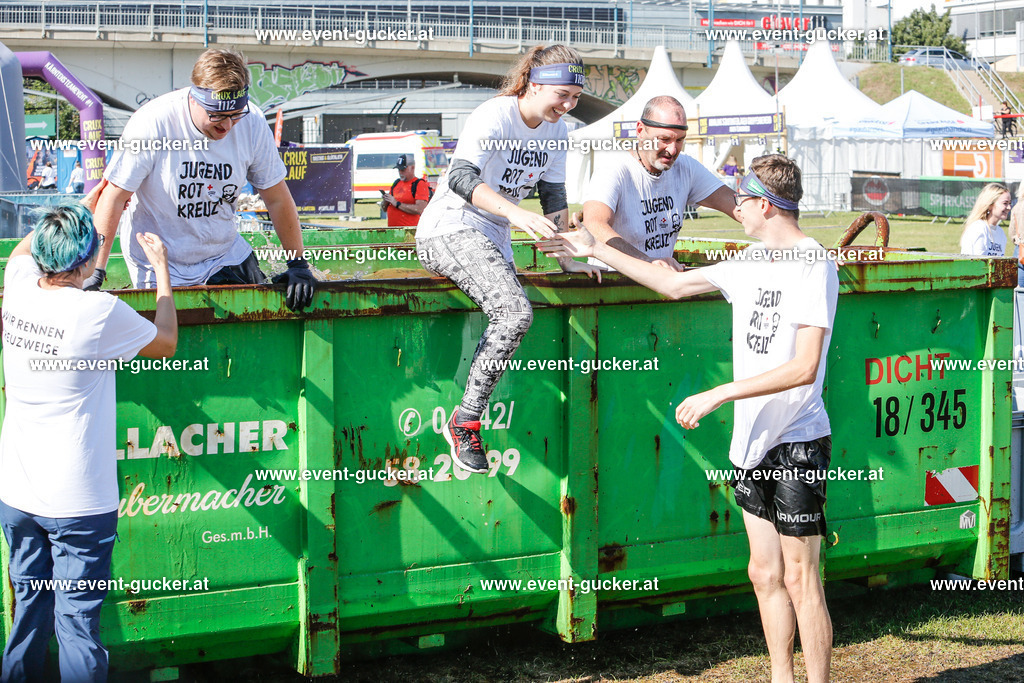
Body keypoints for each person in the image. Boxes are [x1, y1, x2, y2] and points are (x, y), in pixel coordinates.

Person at [542, 154, 838, 683]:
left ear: (765, 205)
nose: (734, 209)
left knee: (801, 576)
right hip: (751, 440)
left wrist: (720, 393)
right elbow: (671, 285)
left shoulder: (813, 262)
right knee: (764, 572)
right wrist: (597, 248)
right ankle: (781, 678)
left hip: (797, 441)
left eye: (741, 201)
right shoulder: (748, 262)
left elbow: (804, 366)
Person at [0, 202, 177, 683]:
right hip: (78, 503)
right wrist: (161, 270)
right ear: (90, 257)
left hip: (17, 495)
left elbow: (21, 253)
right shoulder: (98, 311)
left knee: (28, 614)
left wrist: (82, 201)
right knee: (76, 625)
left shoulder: (15, 291)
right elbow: (165, 342)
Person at [415, 44, 603, 473]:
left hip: (492, 232)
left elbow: (553, 195)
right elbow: (461, 178)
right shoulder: (495, 115)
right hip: (451, 225)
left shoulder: (559, 132)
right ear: (535, 84)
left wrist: (565, 258)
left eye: (576, 96)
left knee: (515, 315)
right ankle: (464, 420)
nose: (570, 104)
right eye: (563, 95)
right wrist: (517, 214)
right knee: (514, 313)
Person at [90, 48, 316, 311]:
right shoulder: (152, 124)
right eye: (217, 114)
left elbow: (276, 199)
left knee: (264, 315)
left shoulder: (251, 121)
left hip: (223, 253)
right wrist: (95, 273)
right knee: (172, 343)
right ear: (194, 98)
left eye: (235, 114)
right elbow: (114, 198)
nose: (227, 126)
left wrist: (297, 263)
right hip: (161, 262)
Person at [581, 96, 740, 271]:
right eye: (664, 139)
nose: (672, 150)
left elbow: (736, 205)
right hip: (612, 285)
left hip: (661, 284)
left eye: (679, 140)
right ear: (640, 130)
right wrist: (647, 261)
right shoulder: (614, 169)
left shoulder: (686, 167)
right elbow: (594, 224)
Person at [960, 183, 1011, 257]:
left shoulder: (1001, 233)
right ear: (990, 205)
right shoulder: (979, 228)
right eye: (1005, 203)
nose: (1009, 207)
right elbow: (978, 263)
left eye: (1010, 203)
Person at [380, 154, 431, 226]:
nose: (400, 172)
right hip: (393, 231)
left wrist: (397, 204)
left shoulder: (419, 184)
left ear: (412, 168)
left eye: (403, 170)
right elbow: (384, 209)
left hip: (409, 232)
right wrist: (385, 201)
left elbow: (420, 209)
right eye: (399, 169)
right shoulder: (396, 183)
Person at [1009, 184, 1024, 287]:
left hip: (1020, 249)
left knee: (1018, 291)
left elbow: (1012, 232)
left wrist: (1018, 240)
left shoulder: (1017, 206)